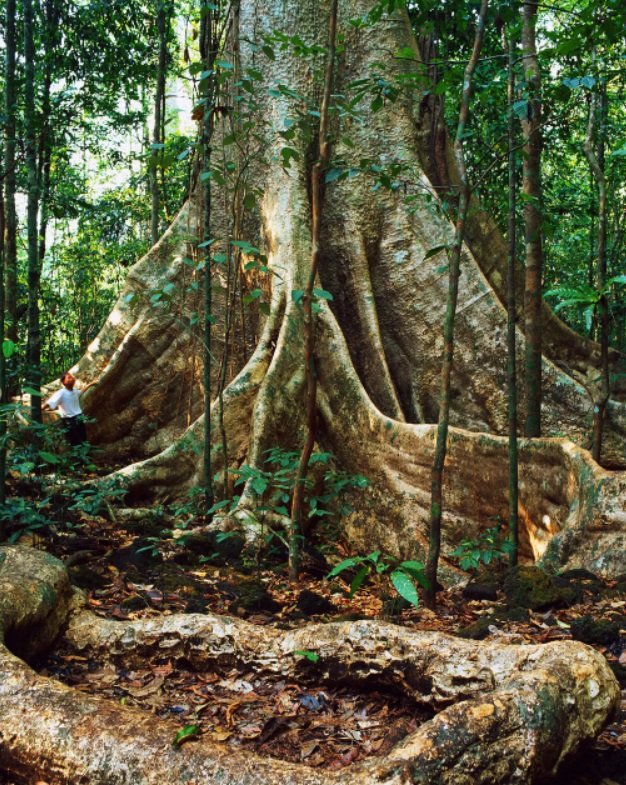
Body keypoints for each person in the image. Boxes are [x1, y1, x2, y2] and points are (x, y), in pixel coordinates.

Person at [43, 372, 98, 447]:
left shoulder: (74, 391)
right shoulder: (61, 393)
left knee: (83, 439)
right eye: (69, 377)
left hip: (79, 417)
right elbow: (50, 402)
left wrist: (91, 384)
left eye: (72, 377)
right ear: (64, 382)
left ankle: (84, 456)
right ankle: (77, 458)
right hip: (69, 420)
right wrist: (40, 409)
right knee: (75, 442)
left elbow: (81, 392)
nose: (72, 378)